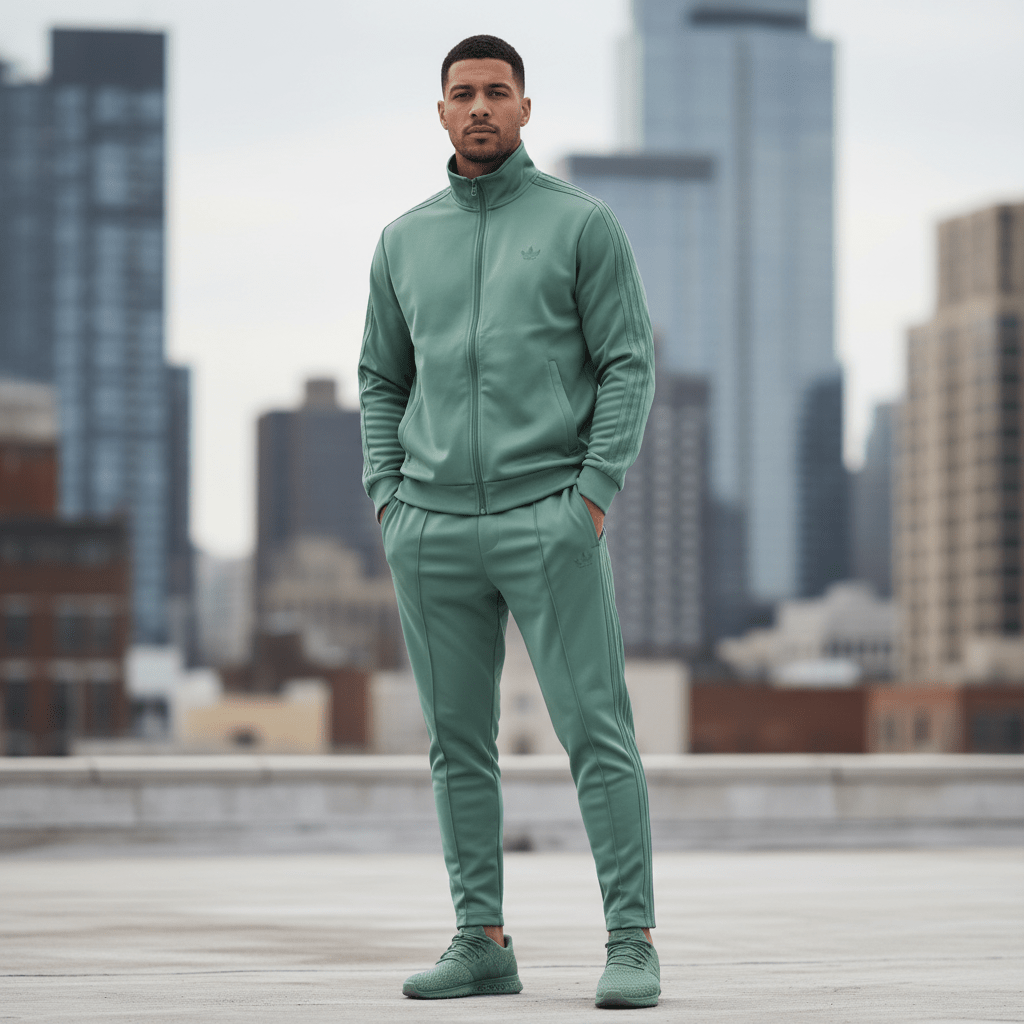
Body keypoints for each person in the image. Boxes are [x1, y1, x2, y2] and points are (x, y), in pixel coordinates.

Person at [358, 34, 658, 1009]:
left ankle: (630, 939)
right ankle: (480, 939)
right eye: (462, 94)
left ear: (525, 108)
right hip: (430, 527)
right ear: (440, 113)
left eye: (496, 92)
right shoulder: (403, 240)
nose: (479, 106)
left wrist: (591, 494)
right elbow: (380, 379)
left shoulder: (582, 226)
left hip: (549, 517)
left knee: (595, 730)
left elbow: (626, 363)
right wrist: (386, 497)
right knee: (457, 744)